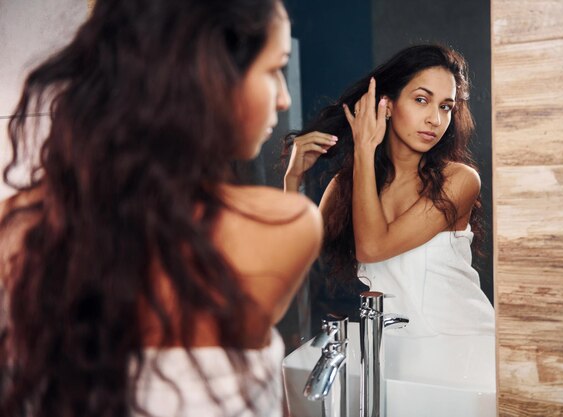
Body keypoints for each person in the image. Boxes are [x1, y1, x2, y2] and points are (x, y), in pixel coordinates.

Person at [0, 0, 322, 416]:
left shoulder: (16, 226)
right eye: (274, 68)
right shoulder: (287, 224)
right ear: (209, 76)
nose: (282, 99)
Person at [284, 44, 494, 337]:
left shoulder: (460, 180)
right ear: (387, 104)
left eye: (446, 106)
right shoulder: (349, 186)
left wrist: (364, 149)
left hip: (467, 346)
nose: (435, 119)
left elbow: (372, 248)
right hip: (399, 354)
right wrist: (293, 178)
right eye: (422, 100)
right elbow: (293, 258)